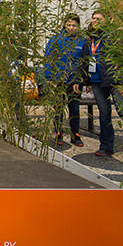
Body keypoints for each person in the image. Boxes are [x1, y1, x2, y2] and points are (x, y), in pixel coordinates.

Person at [80, 11, 123, 157]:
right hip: (97, 81)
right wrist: (86, 81)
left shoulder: (116, 37)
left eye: (98, 19)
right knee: (104, 114)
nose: (94, 21)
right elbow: (85, 61)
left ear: (107, 20)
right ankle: (106, 146)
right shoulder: (89, 39)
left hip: (115, 82)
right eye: (93, 18)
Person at [41, 14, 85, 147]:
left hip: (75, 81)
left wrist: (82, 80)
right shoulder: (56, 40)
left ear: (78, 27)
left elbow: (84, 62)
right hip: (58, 79)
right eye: (69, 25)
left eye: (74, 26)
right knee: (59, 107)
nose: (71, 28)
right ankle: (58, 132)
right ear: (64, 25)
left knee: (74, 108)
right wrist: (49, 78)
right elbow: (49, 59)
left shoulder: (82, 41)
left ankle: (75, 134)